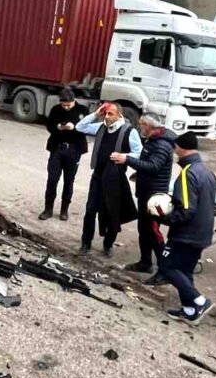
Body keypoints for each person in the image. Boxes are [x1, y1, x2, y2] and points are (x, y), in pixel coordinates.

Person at [159, 132, 216, 325]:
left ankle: (200, 301)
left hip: (186, 233)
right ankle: (189, 310)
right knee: (186, 271)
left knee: (167, 267)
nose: (174, 151)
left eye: (175, 147)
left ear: (181, 148)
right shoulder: (207, 172)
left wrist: (165, 218)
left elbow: (185, 209)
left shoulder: (187, 174)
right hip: (203, 232)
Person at [112, 113, 176, 285]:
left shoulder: (162, 145)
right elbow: (149, 164)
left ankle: (165, 270)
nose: (139, 127)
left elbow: (154, 167)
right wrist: (138, 174)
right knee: (143, 230)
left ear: (149, 126)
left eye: (141, 124)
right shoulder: (152, 141)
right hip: (145, 192)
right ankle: (145, 262)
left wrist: (127, 159)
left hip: (154, 198)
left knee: (153, 233)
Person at [77, 102, 141, 256]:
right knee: (91, 210)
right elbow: (80, 127)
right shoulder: (101, 127)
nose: (106, 117)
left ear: (119, 115)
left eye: (110, 114)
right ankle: (86, 242)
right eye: (105, 113)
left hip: (114, 179)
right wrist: (95, 114)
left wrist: (124, 157)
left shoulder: (128, 131)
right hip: (98, 176)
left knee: (112, 211)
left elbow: (139, 152)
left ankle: (108, 243)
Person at [40, 88, 89, 221]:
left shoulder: (82, 111)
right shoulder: (56, 110)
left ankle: (64, 210)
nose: (66, 107)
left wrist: (75, 127)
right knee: (52, 179)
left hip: (74, 150)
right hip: (57, 148)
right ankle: (48, 209)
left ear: (74, 101)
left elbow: (88, 128)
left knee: (69, 180)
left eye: (69, 105)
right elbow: (49, 126)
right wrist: (58, 127)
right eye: (64, 105)